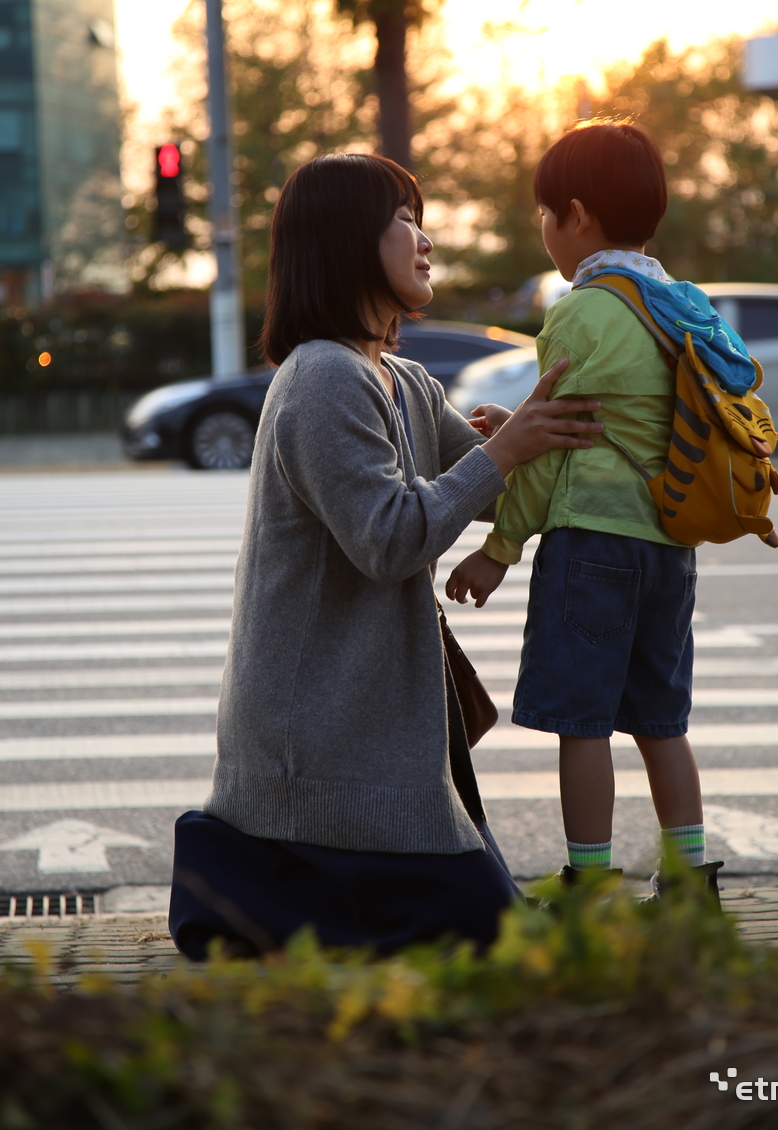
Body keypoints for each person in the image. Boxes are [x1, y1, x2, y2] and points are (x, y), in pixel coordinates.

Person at [168, 152, 604, 959]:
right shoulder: (323, 379)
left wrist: (525, 445)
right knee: (488, 933)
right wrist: (500, 455)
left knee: (490, 919)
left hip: (372, 725)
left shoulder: (397, 377)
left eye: (419, 216)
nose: (425, 238)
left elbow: (490, 493)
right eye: (403, 218)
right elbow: (391, 538)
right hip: (319, 739)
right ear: (344, 241)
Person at [446, 121, 718, 893]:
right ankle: (692, 883)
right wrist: (518, 427)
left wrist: (495, 550)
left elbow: (556, 450)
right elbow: (613, 425)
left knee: (583, 726)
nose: (543, 230)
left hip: (592, 547)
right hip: (669, 541)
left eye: (543, 214)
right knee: (663, 724)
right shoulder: (679, 303)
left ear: (575, 215)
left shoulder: (581, 310)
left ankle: (591, 888)